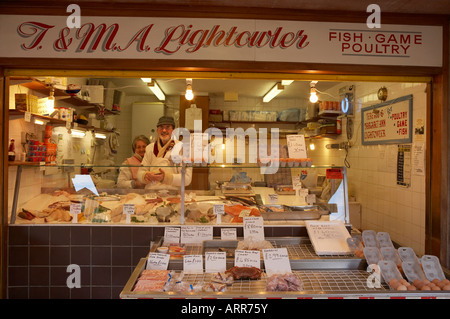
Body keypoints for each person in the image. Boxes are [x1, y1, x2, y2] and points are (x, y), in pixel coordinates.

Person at [137, 116, 192, 189]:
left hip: (173, 194)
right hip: (151, 194)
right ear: (157, 130)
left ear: (173, 131)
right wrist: (145, 176)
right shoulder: (150, 148)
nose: (164, 130)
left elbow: (187, 178)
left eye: (168, 127)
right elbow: (140, 172)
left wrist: (166, 178)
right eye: (161, 127)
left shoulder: (183, 148)